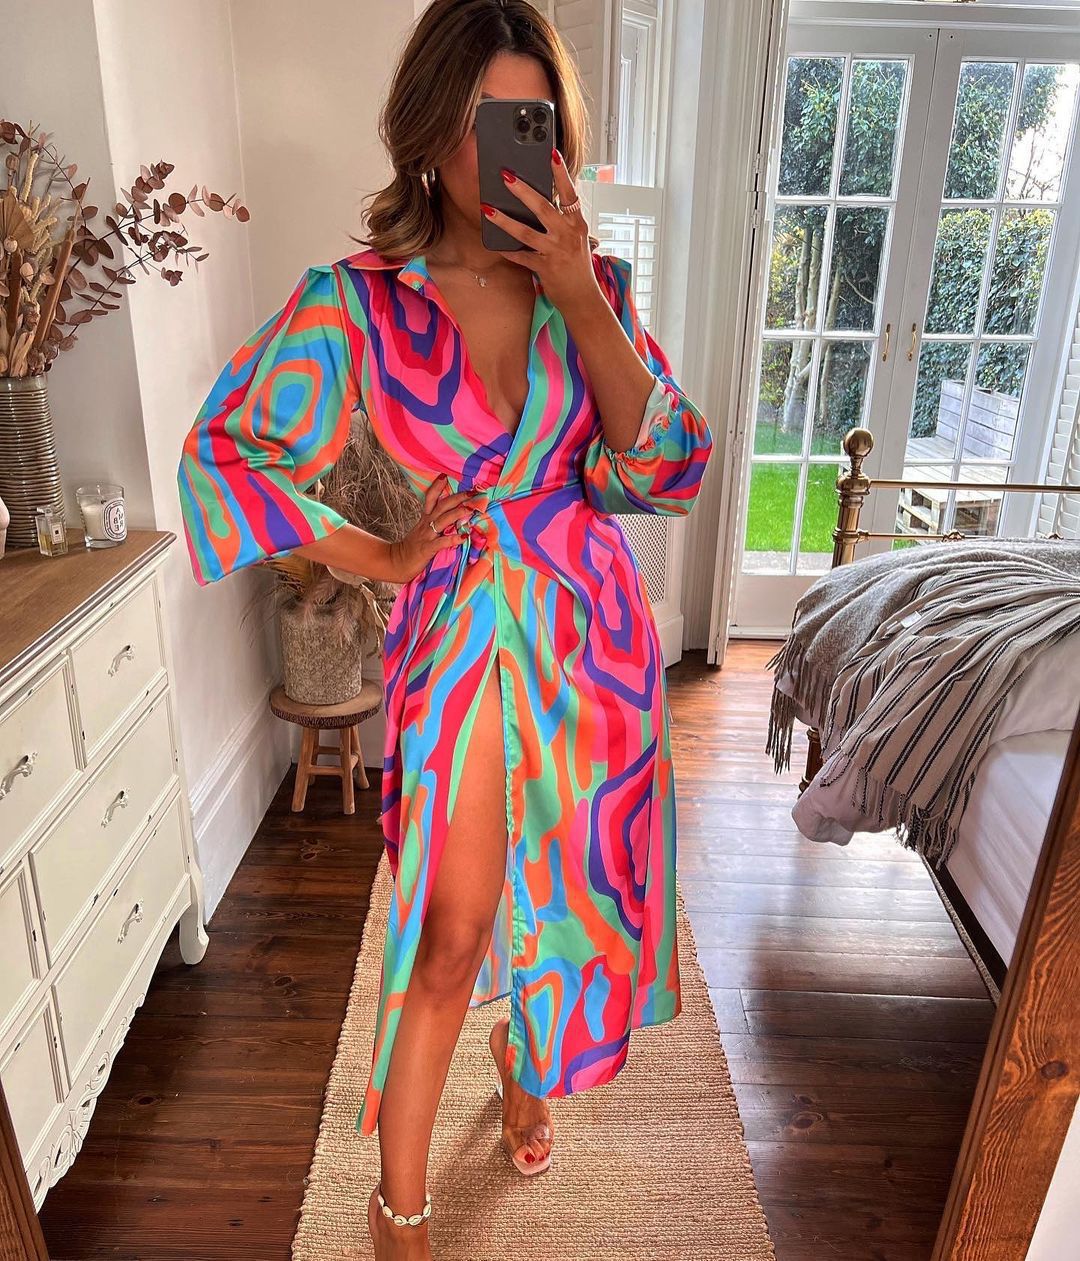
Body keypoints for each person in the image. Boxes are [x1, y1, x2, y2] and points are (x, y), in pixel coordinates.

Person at [176, 1, 714, 1256]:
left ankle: (527, 1061)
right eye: (481, 121)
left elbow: (667, 469)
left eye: (532, 120)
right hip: (463, 629)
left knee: (569, 891)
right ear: (428, 132)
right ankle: (399, 1212)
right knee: (454, 925)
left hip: (589, 636)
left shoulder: (597, 290)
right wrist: (382, 554)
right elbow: (228, 454)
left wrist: (579, 295)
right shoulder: (357, 303)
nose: (507, 151)